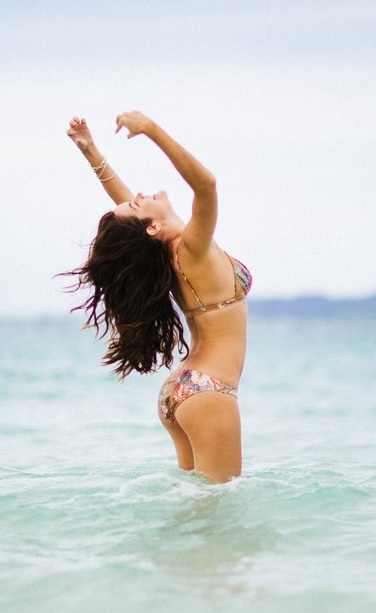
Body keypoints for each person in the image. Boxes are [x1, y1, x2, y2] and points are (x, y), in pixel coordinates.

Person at [65, 110, 252, 484]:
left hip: (181, 389)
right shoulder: (192, 248)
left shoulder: (165, 254)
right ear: (152, 226)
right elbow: (206, 185)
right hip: (209, 390)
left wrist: (93, 155)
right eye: (136, 203)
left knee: (195, 509)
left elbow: (132, 221)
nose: (136, 194)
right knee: (220, 512)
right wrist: (150, 129)